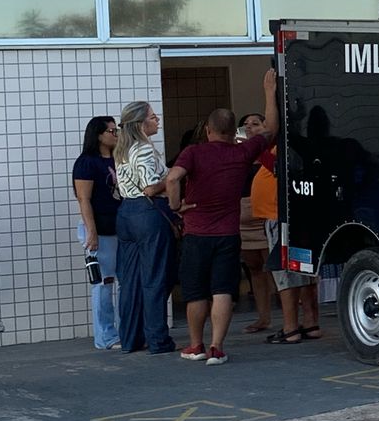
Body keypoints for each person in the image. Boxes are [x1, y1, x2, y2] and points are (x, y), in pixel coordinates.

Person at [166, 69, 280, 365]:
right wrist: (269, 92)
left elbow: (173, 179)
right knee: (222, 291)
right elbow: (272, 130)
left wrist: (177, 206)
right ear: (234, 132)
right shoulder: (242, 152)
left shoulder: (193, 153)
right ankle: (217, 347)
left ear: (208, 130)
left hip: (196, 234)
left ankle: (195, 345)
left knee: (195, 293)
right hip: (228, 235)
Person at [114, 100, 178, 355]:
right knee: (155, 279)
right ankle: (158, 339)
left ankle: (130, 338)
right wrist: (173, 176)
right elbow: (151, 187)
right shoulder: (143, 149)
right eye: (153, 116)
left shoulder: (122, 150)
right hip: (147, 213)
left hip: (126, 214)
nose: (157, 120)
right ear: (141, 123)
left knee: (130, 281)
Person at [257, 142, 321, 344]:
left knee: (285, 274)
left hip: (280, 216)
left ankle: (290, 327)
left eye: (257, 124)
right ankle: (310, 323)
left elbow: (278, 169)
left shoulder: (283, 147)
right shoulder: (297, 145)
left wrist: (258, 147)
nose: (250, 128)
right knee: (303, 271)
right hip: (298, 215)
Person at [73, 116, 121, 350]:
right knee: (103, 283)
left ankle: (125, 330)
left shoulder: (117, 159)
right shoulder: (87, 162)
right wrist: (91, 232)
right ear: (99, 135)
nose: (115, 134)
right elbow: (84, 198)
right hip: (99, 230)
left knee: (124, 282)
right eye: (111, 131)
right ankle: (106, 335)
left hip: (119, 227)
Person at [236, 111, 274, 334]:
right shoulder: (239, 153)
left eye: (255, 124)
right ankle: (263, 317)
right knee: (254, 268)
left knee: (273, 266)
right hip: (242, 218)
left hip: (265, 216)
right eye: (245, 124)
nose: (249, 127)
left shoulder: (270, 151)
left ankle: (290, 316)